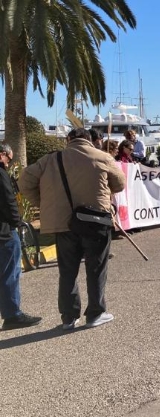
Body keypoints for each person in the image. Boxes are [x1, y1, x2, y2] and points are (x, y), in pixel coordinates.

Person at [19, 128, 126, 329]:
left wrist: (43, 203)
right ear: (89, 140)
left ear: (69, 140)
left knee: (67, 271)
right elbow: (120, 184)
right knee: (96, 269)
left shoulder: (51, 159)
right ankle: (95, 313)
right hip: (95, 222)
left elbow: (25, 180)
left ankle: (69, 317)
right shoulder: (101, 157)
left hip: (64, 223)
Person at [0, 144, 42, 330]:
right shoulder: (1, 174)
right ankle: (12, 314)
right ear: (3, 155)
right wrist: (17, 222)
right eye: (9, 158)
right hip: (4, 232)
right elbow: (9, 201)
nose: (9, 162)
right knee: (10, 273)